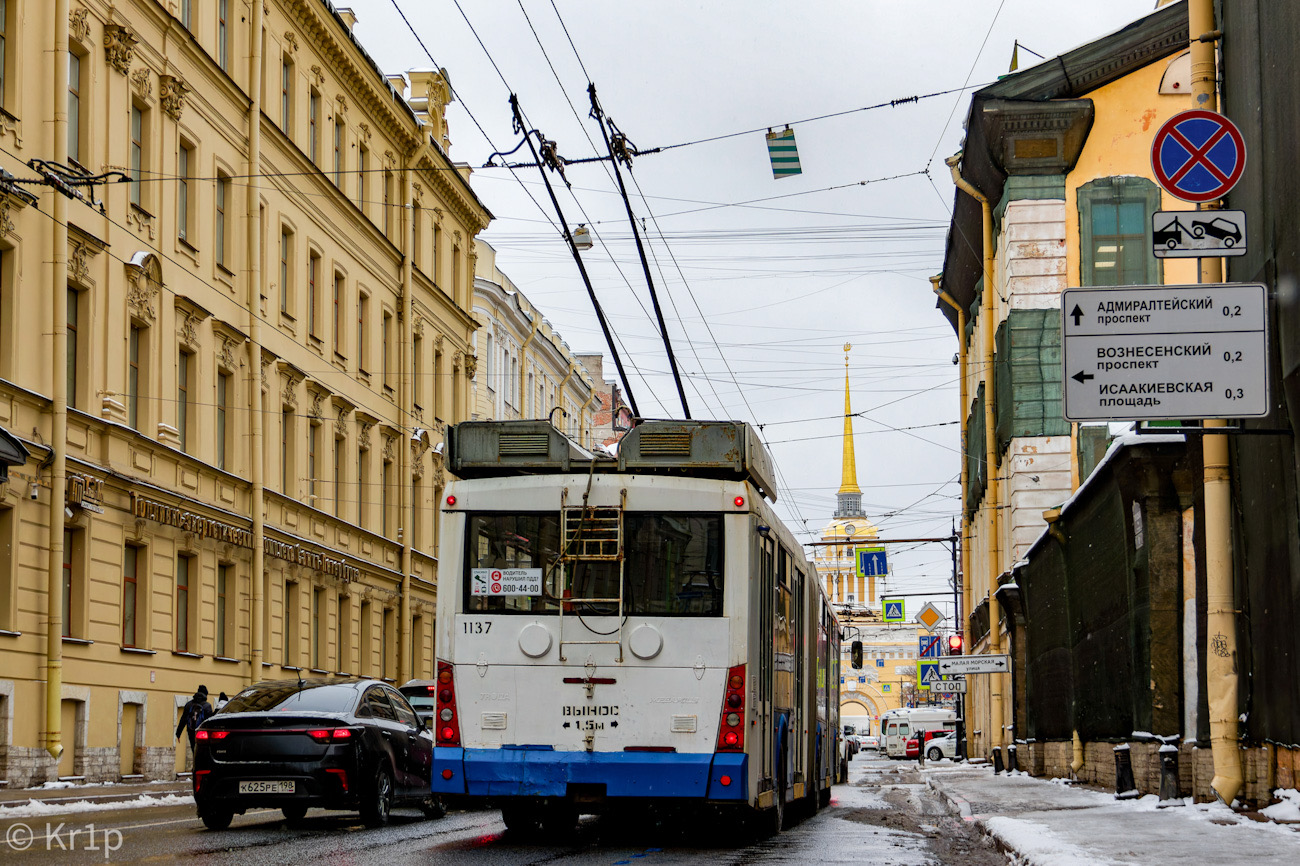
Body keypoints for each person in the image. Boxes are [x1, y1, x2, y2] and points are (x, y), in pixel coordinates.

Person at [175, 685, 212, 772]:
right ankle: (200, 769)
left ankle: (195, 768)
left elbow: (183, 719)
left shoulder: (189, 705)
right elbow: (209, 722)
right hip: (202, 733)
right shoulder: (207, 706)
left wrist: (178, 733)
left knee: (194, 749)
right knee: (203, 751)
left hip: (191, 731)